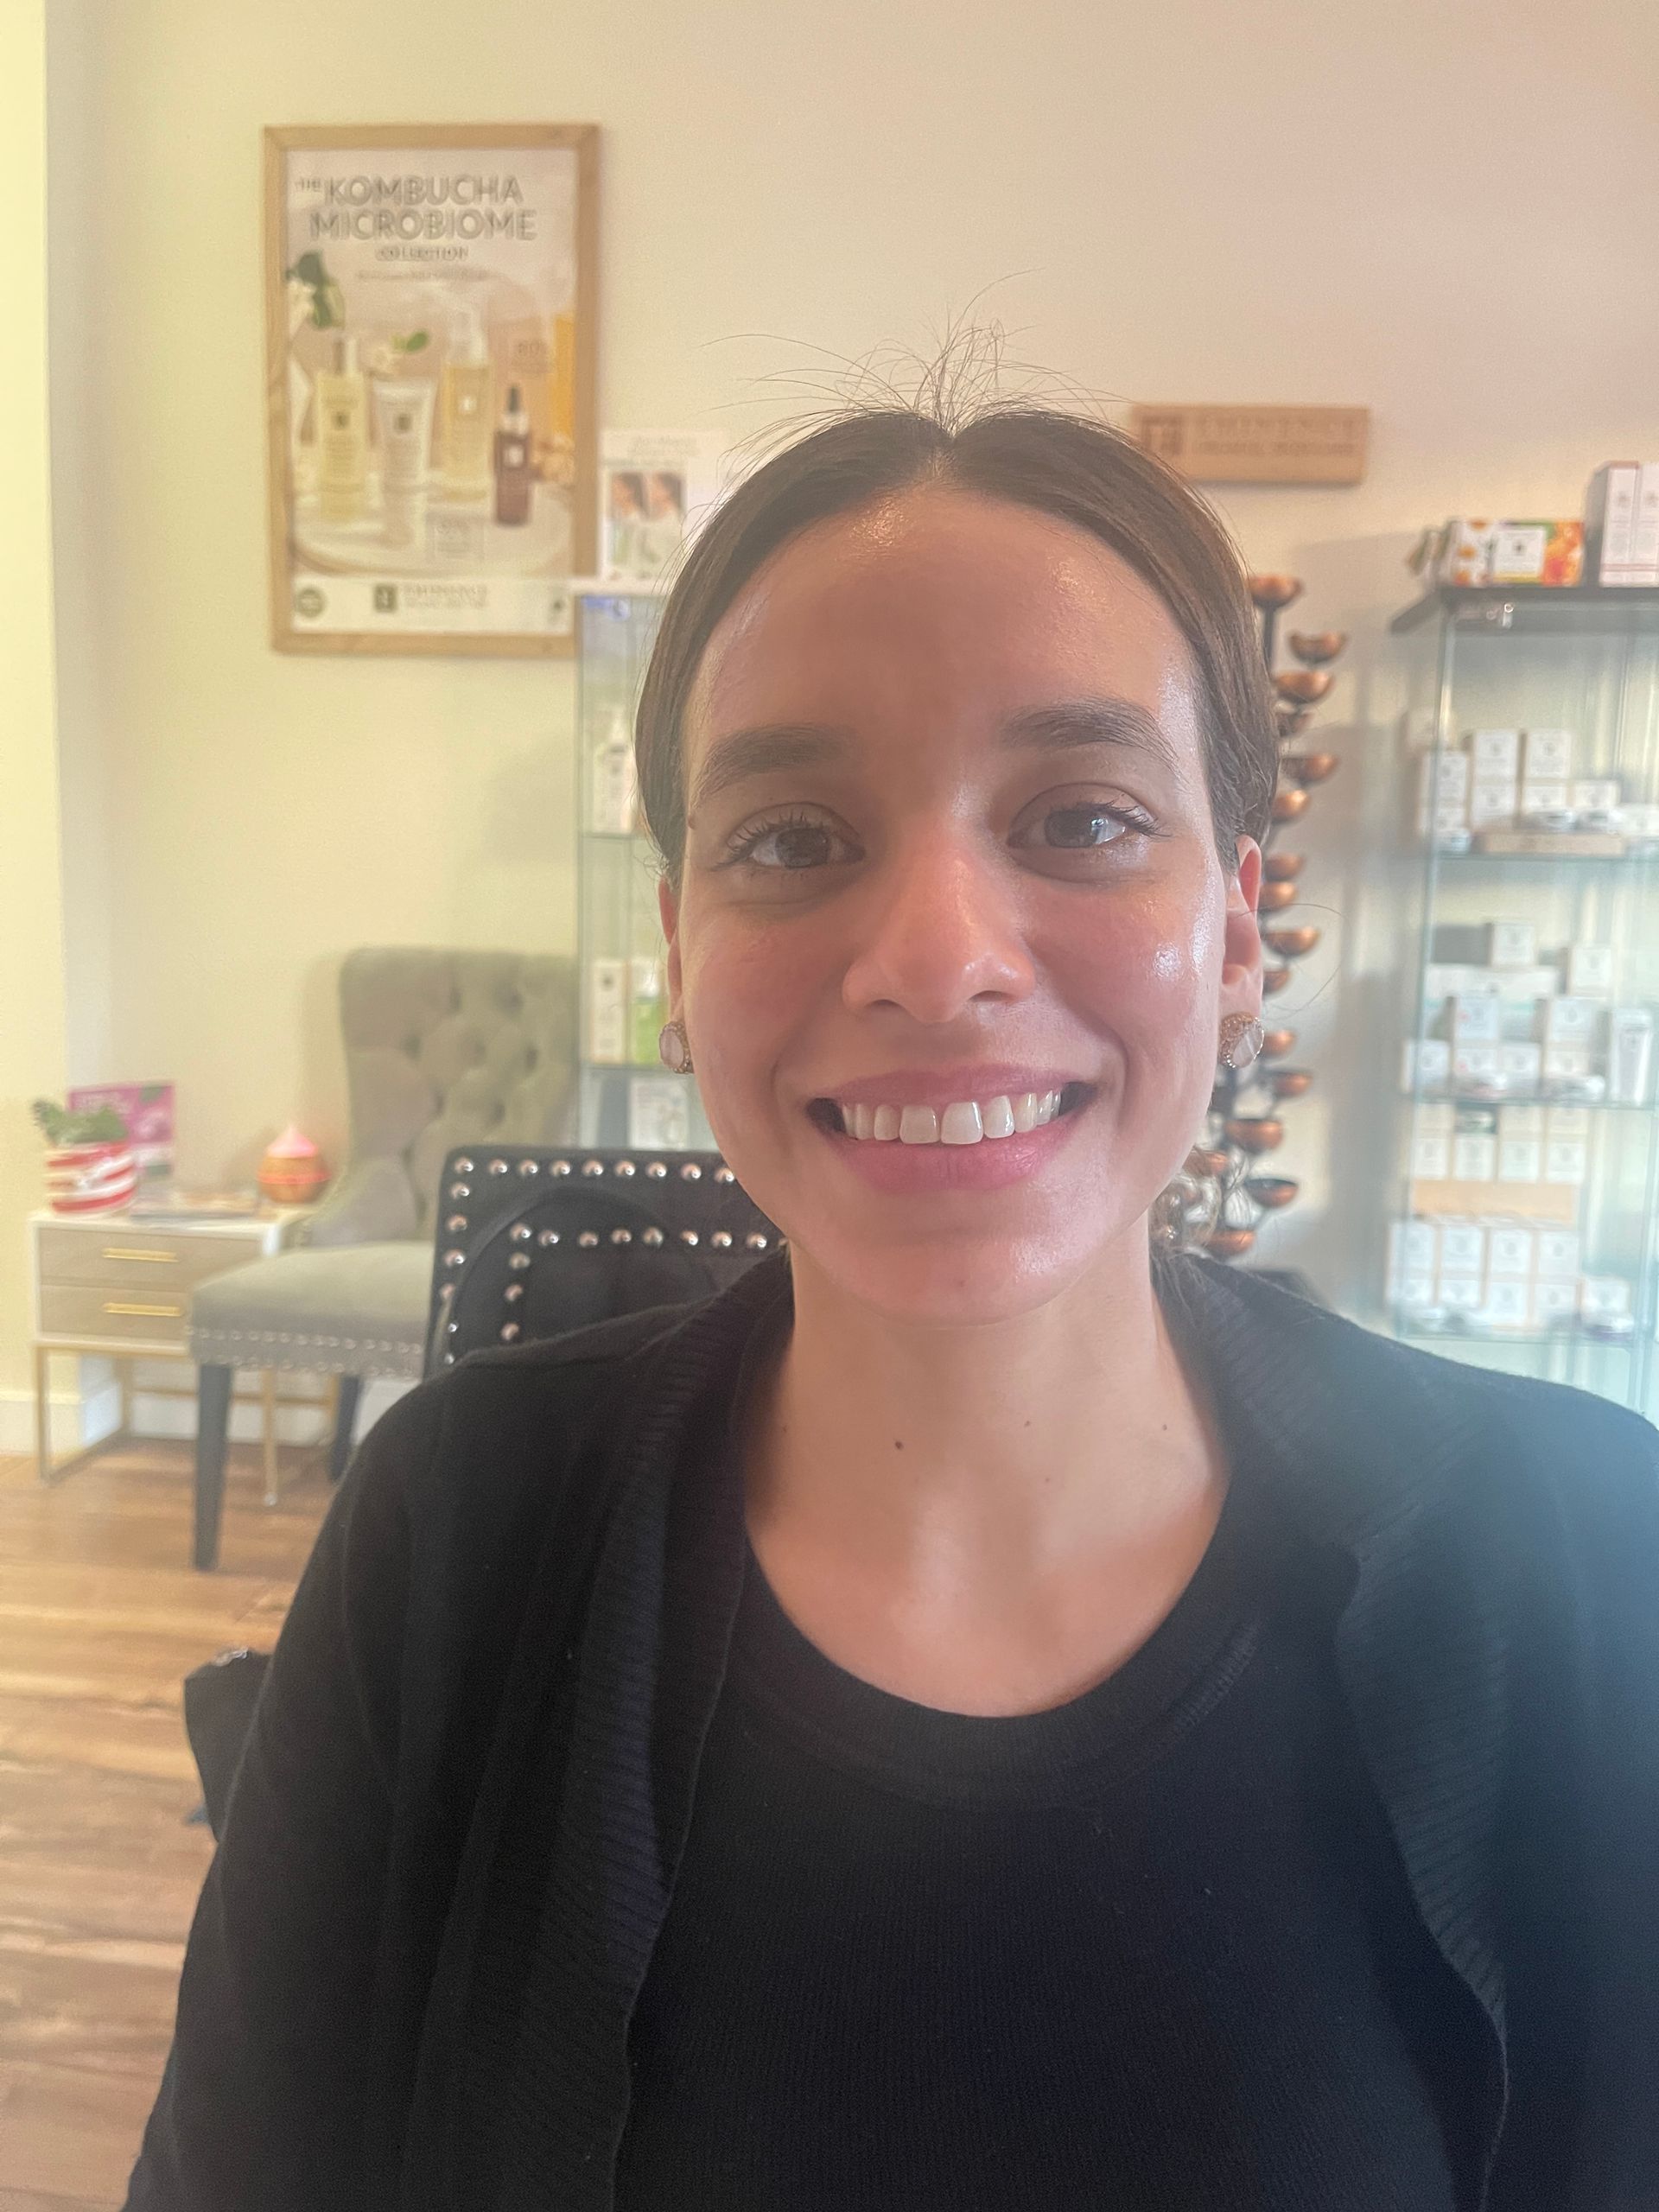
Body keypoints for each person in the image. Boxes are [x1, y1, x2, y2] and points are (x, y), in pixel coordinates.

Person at [128, 394, 1659, 2212]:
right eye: (790, 838)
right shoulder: (456, 1528)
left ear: (1241, 932)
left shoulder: (1580, 1553)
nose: (939, 959)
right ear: (681, 951)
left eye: (1083, 816)